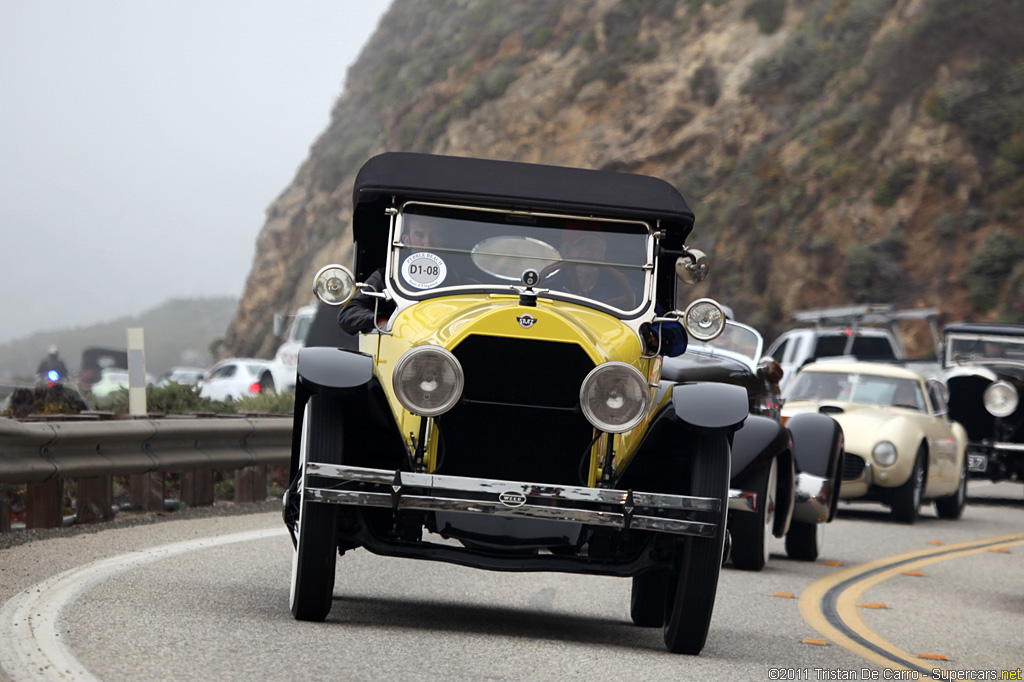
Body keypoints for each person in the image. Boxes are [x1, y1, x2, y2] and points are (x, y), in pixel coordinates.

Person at [338, 221, 446, 334]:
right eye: (419, 235)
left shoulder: (458, 279)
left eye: (435, 235)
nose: (427, 243)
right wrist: (381, 320)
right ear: (406, 241)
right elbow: (348, 312)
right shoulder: (388, 277)